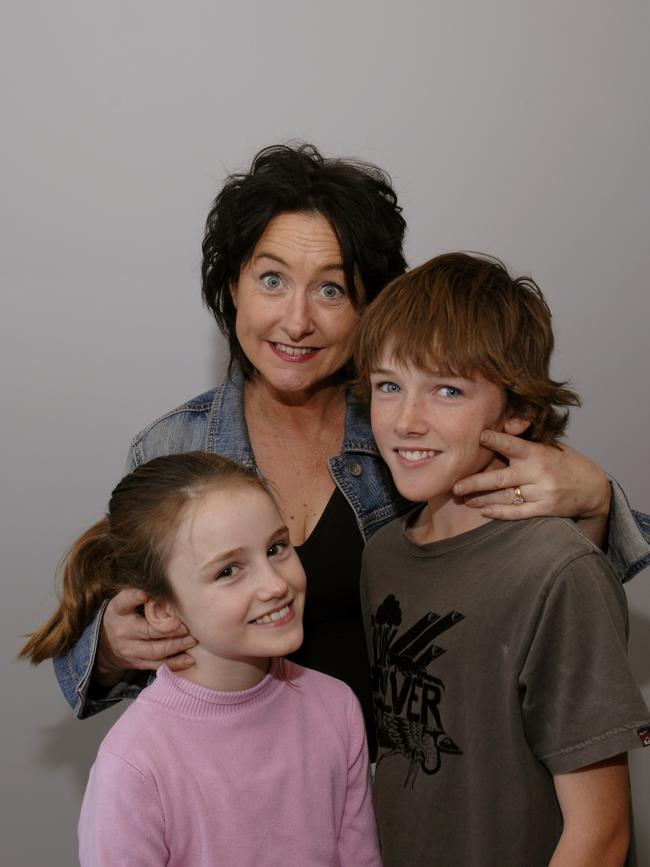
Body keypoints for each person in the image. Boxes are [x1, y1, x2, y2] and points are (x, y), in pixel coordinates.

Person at [53, 144, 650, 753]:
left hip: (409, 792)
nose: (297, 321)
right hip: (245, 791)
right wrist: (109, 649)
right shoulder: (169, 447)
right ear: (232, 286)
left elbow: (548, 609)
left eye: (332, 290)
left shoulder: (417, 437)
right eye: (272, 279)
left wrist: (597, 501)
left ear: (370, 307)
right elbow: (102, 641)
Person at [355, 253, 650, 866]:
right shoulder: (382, 555)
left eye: (446, 389)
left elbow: (601, 835)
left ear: (516, 411)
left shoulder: (558, 571)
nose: (406, 421)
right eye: (388, 385)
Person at [21, 452, 381, 867]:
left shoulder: (336, 706)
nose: (274, 584)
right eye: (228, 571)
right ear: (161, 610)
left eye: (277, 548)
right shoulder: (135, 763)